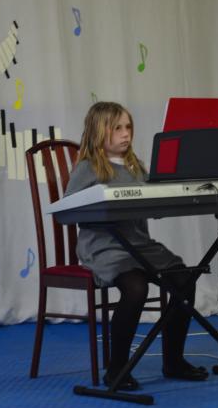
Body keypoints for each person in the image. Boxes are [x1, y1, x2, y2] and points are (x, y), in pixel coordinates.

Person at [65, 101, 208, 390]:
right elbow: (69, 209)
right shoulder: (88, 167)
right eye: (117, 128)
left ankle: (174, 361)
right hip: (104, 247)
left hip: (140, 245)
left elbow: (152, 203)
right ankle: (117, 369)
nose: (125, 133)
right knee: (135, 287)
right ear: (98, 131)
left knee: (184, 280)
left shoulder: (136, 167)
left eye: (128, 127)